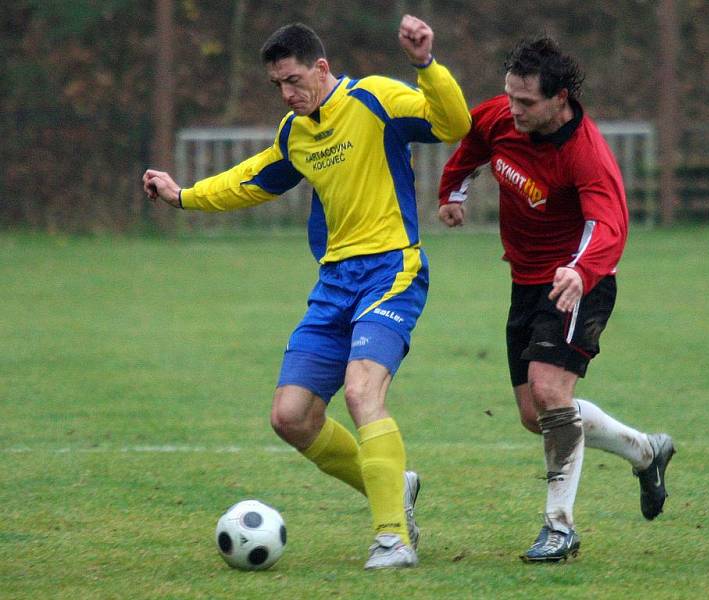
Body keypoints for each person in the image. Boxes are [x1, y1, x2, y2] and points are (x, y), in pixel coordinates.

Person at [143, 15, 471, 570]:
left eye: (294, 80)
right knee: (291, 416)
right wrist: (184, 197)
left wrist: (425, 66)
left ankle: (393, 538)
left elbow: (453, 122)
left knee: (362, 391)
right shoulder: (295, 133)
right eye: (277, 85)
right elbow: (251, 178)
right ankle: (395, 485)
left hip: (392, 269)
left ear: (322, 67)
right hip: (334, 284)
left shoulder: (375, 98)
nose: (287, 93)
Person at [437, 38, 675, 562]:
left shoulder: (585, 153)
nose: (512, 110)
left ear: (559, 98)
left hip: (579, 283)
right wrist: (452, 190)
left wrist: (580, 271)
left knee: (549, 391)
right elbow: (473, 141)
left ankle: (560, 527)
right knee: (534, 413)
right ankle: (646, 450)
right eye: (509, 97)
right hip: (527, 282)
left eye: (525, 103)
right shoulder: (504, 116)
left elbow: (608, 224)